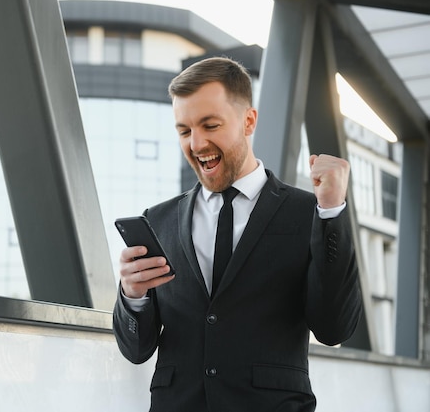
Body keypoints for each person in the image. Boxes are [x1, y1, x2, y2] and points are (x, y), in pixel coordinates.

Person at [112, 57, 362, 412]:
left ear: (248, 121)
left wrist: (332, 211)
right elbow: (136, 351)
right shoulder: (159, 220)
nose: (196, 144)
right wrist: (132, 295)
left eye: (210, 125)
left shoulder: (309, 213)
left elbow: (334, 328)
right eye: (184, 131)